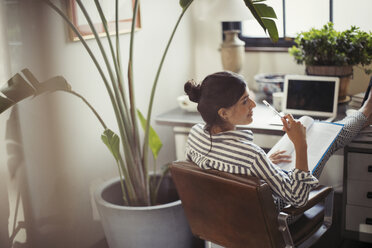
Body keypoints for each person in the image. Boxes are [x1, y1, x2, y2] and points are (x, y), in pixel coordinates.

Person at [184, 71, 372, 215]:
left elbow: (217, 176)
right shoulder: (251, 156)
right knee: (329, 139)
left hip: (225, 218)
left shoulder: (194, 135)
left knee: (316, 138)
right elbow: (298, 198)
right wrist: (300, 144)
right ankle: (366, 111)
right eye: (244, 101)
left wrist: (261, 165)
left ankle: (362, 113)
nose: (253, 105)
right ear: (223, 113)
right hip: (270, 219)